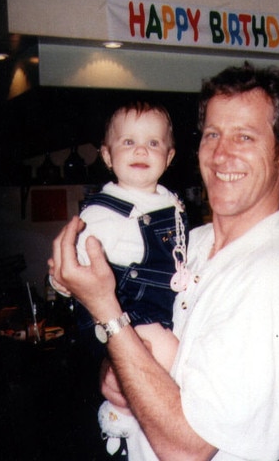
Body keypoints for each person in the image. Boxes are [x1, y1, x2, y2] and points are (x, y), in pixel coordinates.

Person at [50, 62, 279, 460]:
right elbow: (136, 355)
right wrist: (114, 368)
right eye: (212, 134)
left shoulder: (273, 273)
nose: (221, 153)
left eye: (244, 137)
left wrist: (107, 312)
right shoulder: (189, 242)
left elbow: (187, 449)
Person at [51, 101, 189, 456]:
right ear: (108, 156)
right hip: (128, 311)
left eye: (153, 143)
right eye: (128, 142)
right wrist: (62, 281)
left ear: (169, 157)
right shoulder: (101, 212)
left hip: (161, 309)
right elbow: (71, 264)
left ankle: (124, 413)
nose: (141, 150)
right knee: (176, 360)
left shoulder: (170, 202)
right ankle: (120, 415)